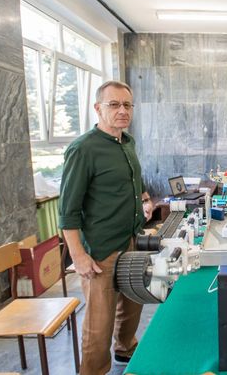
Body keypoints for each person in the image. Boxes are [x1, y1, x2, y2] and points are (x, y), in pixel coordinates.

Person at [59, 80, 154, 375]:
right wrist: (78, 256)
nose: (122, 110)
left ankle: (125, 347)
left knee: (133, 301)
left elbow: (134, 178)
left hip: (132, 238)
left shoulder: (127, 142)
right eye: (114, 104)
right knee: (99, 324)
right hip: (101, 249)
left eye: (127, 105)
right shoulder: (83, 149)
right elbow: (68, 210)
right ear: (98, 108)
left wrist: (145, 200)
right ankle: (93, 370)